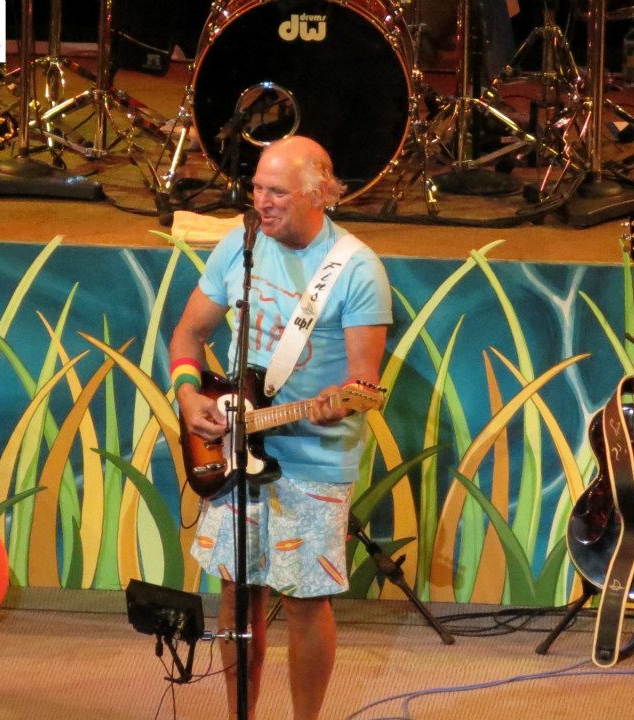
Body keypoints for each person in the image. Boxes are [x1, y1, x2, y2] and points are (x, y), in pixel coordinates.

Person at [169, 136, 392, 720]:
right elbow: (188, 334)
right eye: (257, 189)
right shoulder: (240, 244)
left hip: (314, 459)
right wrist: (188, 395)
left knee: (304, 601)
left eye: (277, 193)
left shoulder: (357, 269)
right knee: (235, 590)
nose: (261, 203)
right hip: (235, 444)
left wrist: (336, 404)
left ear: (319, 194)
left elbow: (364, 383)